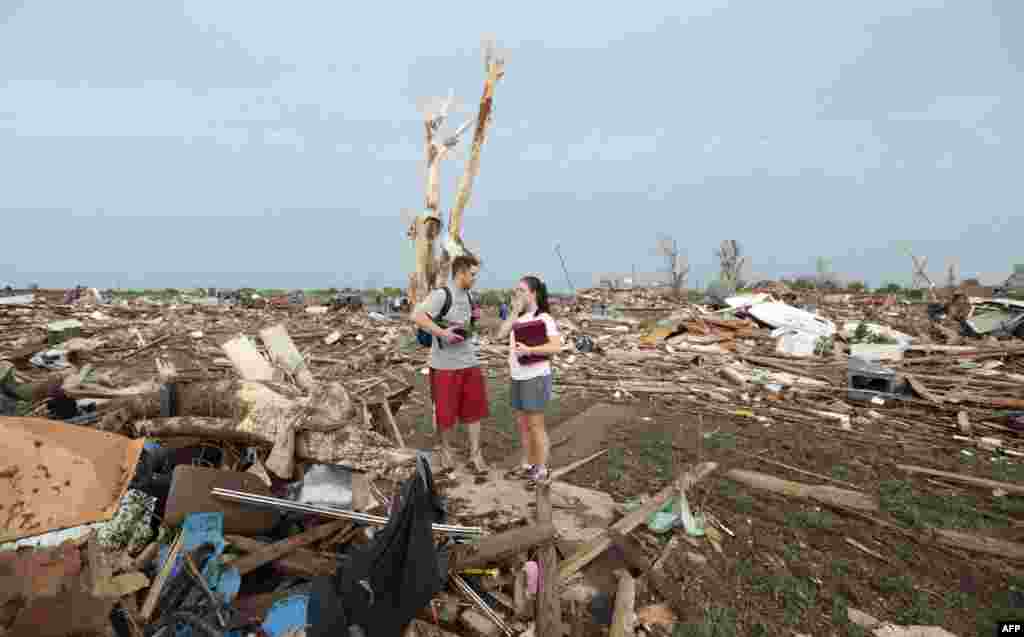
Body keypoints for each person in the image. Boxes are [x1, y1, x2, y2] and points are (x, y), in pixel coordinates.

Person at [411, 255, 489, 473]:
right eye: (472, 275)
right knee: (445, 414)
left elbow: (468, 326)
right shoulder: (441, 295)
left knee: (474, 411)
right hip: (445, 366)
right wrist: (442, 333)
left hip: (469, 362)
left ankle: (475, 454)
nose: (475, 279)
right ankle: (446, 450)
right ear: (461, 273)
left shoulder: (470, 297)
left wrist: (474, 320)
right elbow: (417, 316)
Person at [496, 275, 562, 485]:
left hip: (536, 376)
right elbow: (500, 334)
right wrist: (514, 311)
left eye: (522, 290)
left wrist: (531, 349)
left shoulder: (544, 318)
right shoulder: (519, 318)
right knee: (523, 425)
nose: (518, 294)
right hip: (517, 376)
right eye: (516, 291)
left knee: (536, 425)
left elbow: (555, 347)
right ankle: (527, 464)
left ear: (534, 294)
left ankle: (542, 469)